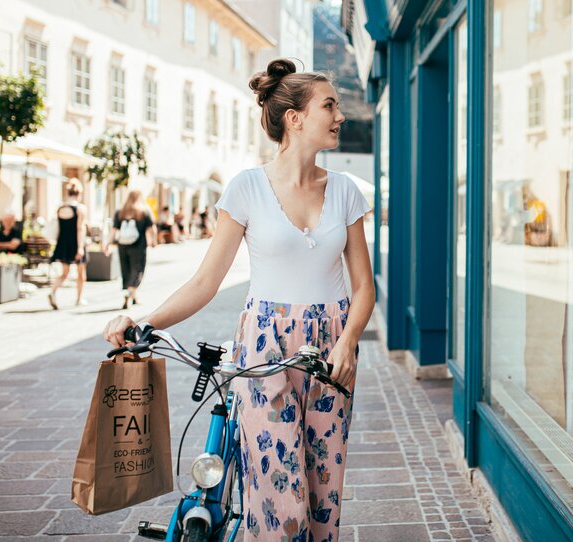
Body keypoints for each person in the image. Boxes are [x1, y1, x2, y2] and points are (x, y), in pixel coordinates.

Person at [103, 58, 373, 542]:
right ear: (295, 118)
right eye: (329, 106)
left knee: (322, 495)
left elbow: (364, 287)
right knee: (278, 502)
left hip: (331, 351)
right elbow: (206, 282)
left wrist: (348, 342)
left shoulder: (346, 191)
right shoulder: (246, 188)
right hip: (264, 345)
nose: (340, 116)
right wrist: (143, 320)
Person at [105, 189, 156, 309]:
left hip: (122, 246)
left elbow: (114, 230)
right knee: (137, 269)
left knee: (126, 270)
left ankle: (131, 297)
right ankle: (130, 291)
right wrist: (153, 241)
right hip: (139, 246)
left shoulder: (120, 212)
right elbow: (151, 228)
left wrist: (108, 243)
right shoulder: (143, 211)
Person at [48, 180, 88, 309]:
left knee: (64, 273)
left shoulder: (60, 208)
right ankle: (79, 298)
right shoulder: (80, 209)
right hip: (76, 243)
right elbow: (80, 228)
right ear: (79, 193)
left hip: (63, 244)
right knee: (81, 273)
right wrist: (80, 247)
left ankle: (52, 291)